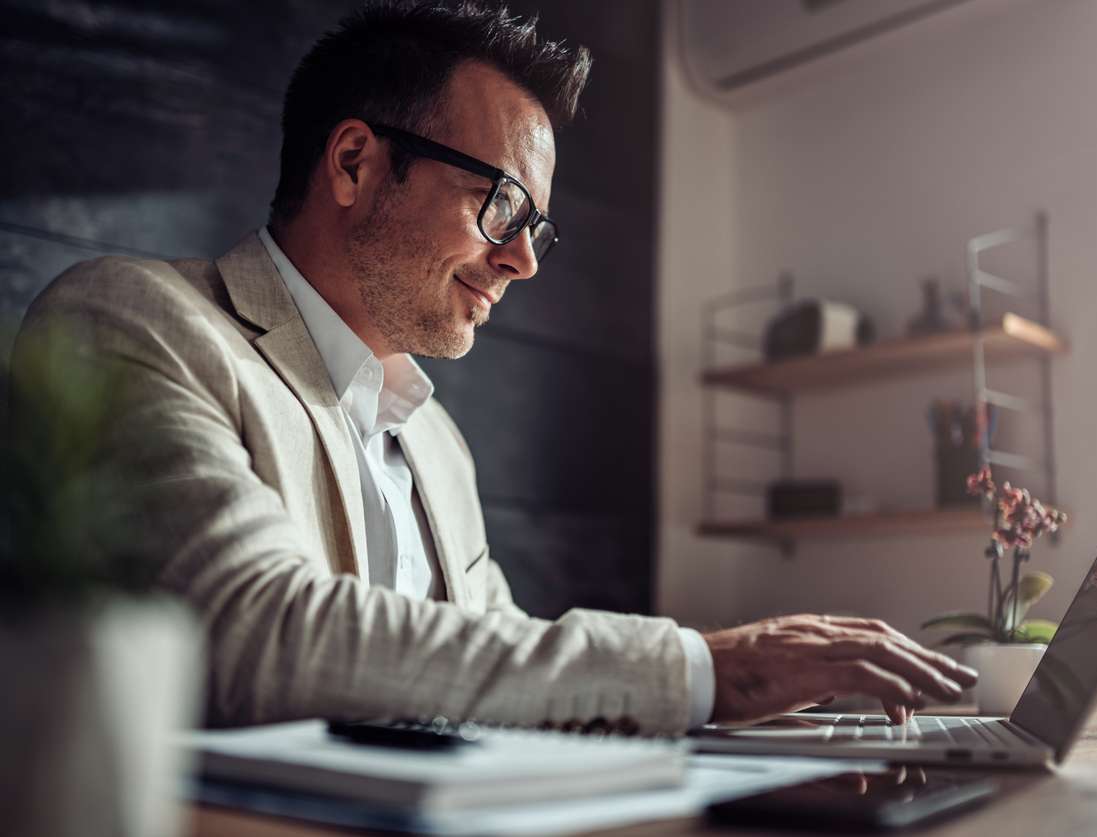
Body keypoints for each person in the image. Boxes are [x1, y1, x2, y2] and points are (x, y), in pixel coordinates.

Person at [13, 0, 975, 734]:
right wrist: (706, 670)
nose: (520, 260)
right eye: (504, 207)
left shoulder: (438, 442)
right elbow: (247, 628)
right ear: (353, 163)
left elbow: (497, 666)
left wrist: (759, 728)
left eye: (536, 231)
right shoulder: (134, 319)